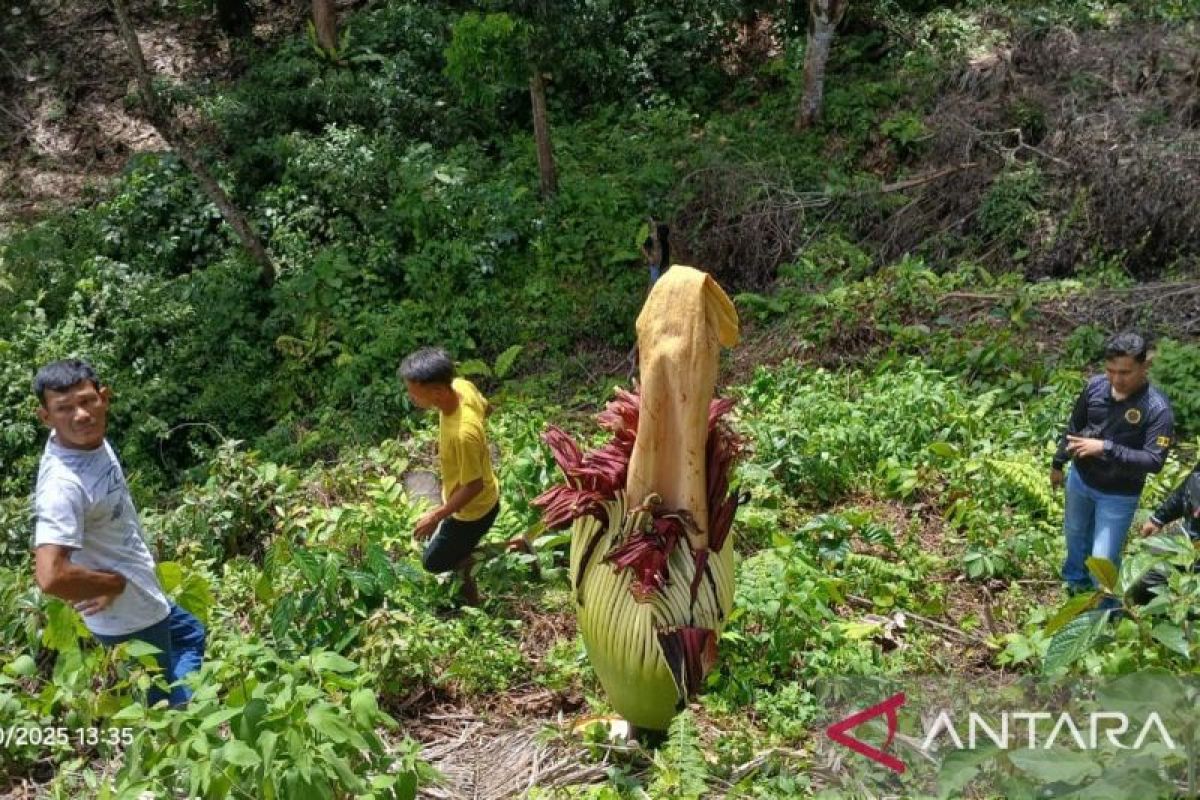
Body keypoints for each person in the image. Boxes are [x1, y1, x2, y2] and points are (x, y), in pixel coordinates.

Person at [31, 359, 205, 706]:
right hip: (127, 614)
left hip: (142, 591)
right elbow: (49, 575)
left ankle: (185, 710)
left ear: (104, 397)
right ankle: (183, 729)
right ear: (46, 417)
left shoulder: (86, 442)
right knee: (163, 702)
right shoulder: (63, 485)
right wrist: (112, 584)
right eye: (64, 408)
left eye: (86, 401)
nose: (80, 415)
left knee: (191, 635)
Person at [1051, 332, 1174, 595]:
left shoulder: (1156, 408)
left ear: (1144, 367)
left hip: (1118, 494)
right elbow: (1075, 427)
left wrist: (1105, 448)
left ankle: (1108, 610)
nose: (1116, 380)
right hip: (1081, 480)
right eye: (1110, 371)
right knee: (1075, 535)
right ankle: (1074, 588)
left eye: (1125, 372)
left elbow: (1154, 461)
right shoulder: (1095, 387)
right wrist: (1058, 462)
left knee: (1103, 560)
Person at [399, 347, 500, 606]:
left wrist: (436, 515)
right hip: (472, 497)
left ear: (437, 392)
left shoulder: (463, 433)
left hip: (474, 511)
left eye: (414, 391)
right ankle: (465, 566)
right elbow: (486, 409)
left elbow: (474, 486)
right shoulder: (461, 386)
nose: (410, 396)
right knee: (448, 552)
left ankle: (513, 548)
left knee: (434, 562)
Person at [1130, 467, 1200, 605]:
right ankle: (1138, 617)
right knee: (1145, 576)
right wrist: (1159, 518)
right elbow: (1188, 486)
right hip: (1189, 536)